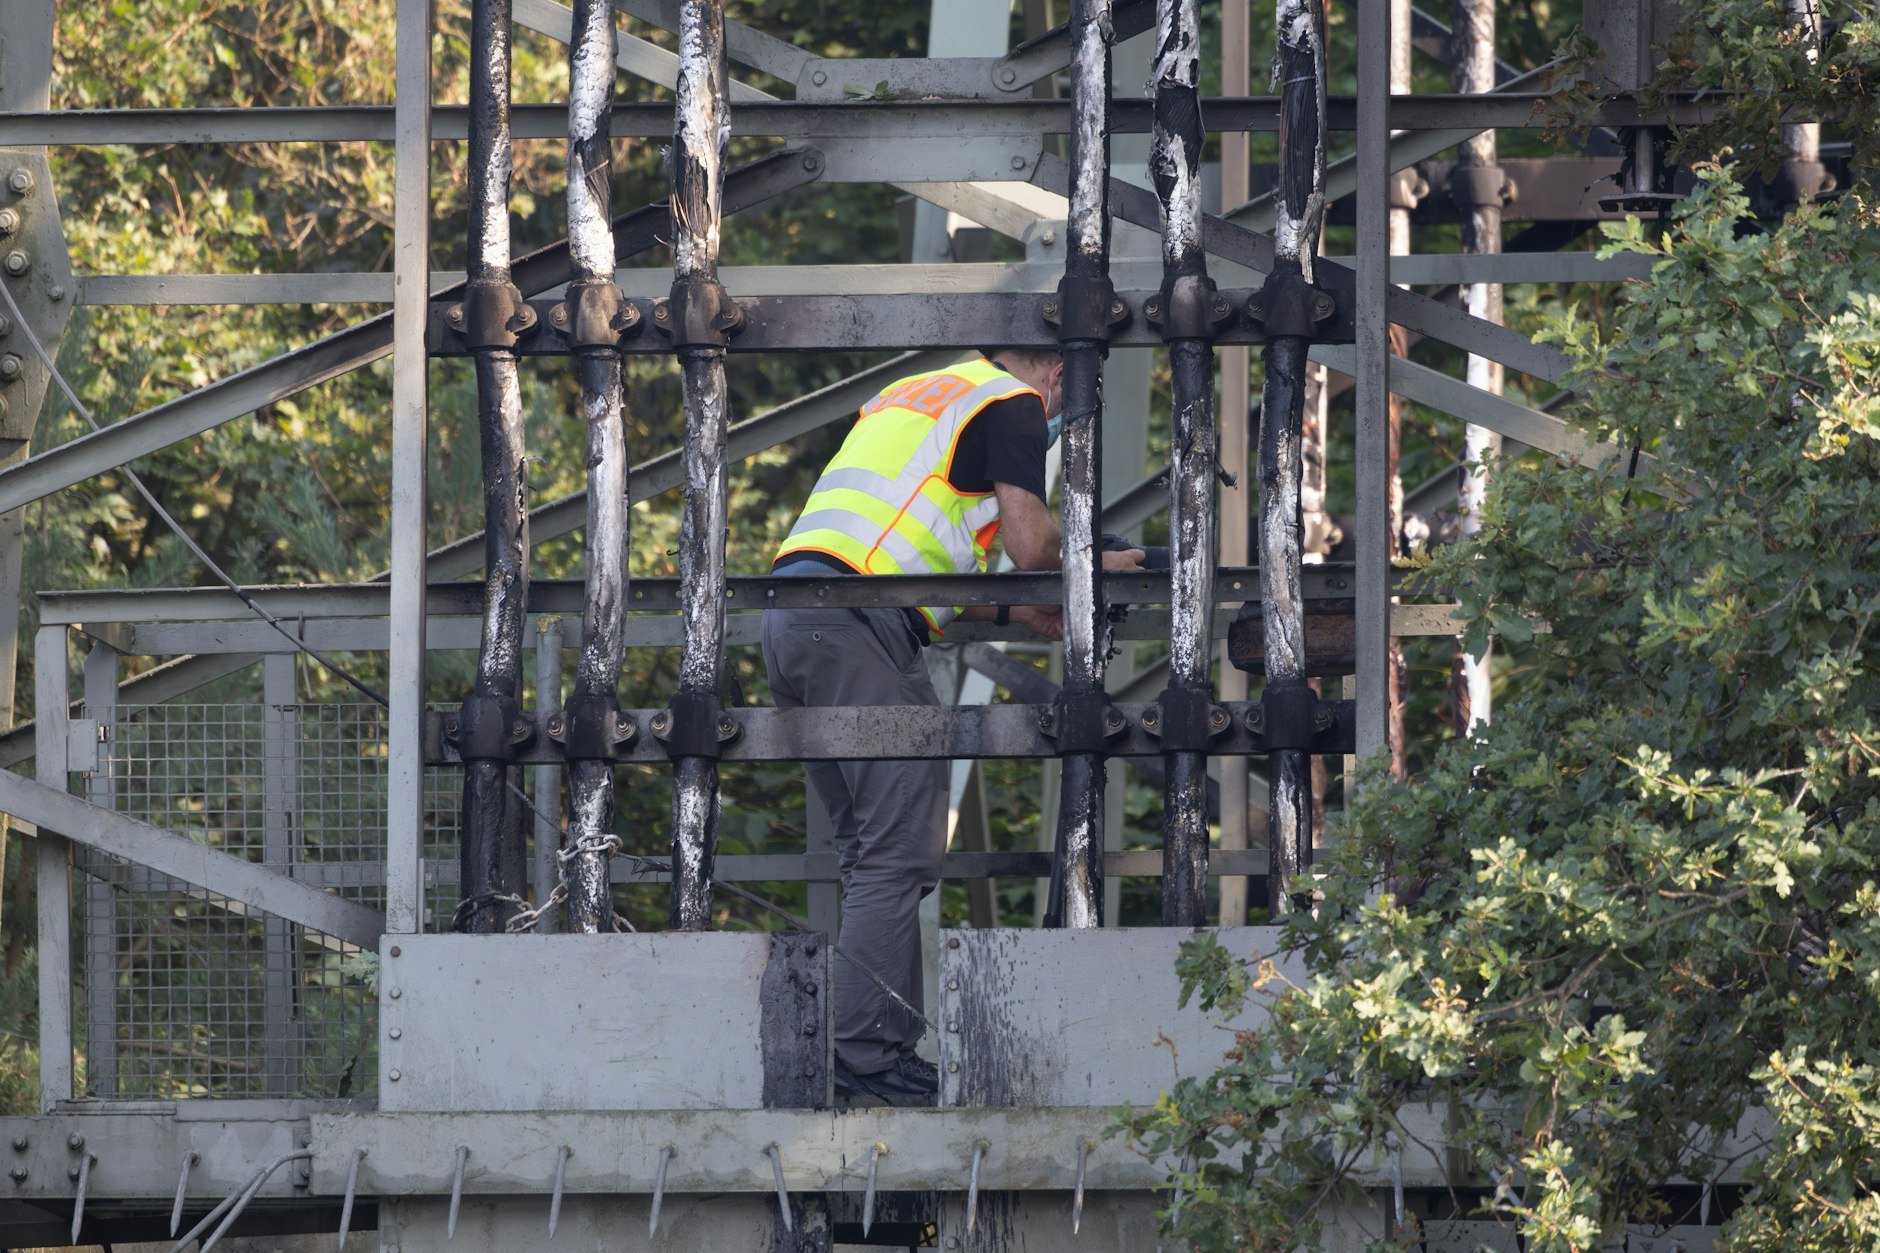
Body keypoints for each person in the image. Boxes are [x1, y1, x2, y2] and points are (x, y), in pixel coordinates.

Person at [759, 346, 1144, 1104]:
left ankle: (862, 1051)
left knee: (872, 849)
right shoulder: (1014, 403)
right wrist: (1104, 561)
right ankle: (865, 1059)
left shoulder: (918, 394)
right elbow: (1033, 545)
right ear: (1059, 373)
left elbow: (908, 556)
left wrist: (1011, 610)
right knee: (899, 850)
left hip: (794, 619)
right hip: (859, 626)